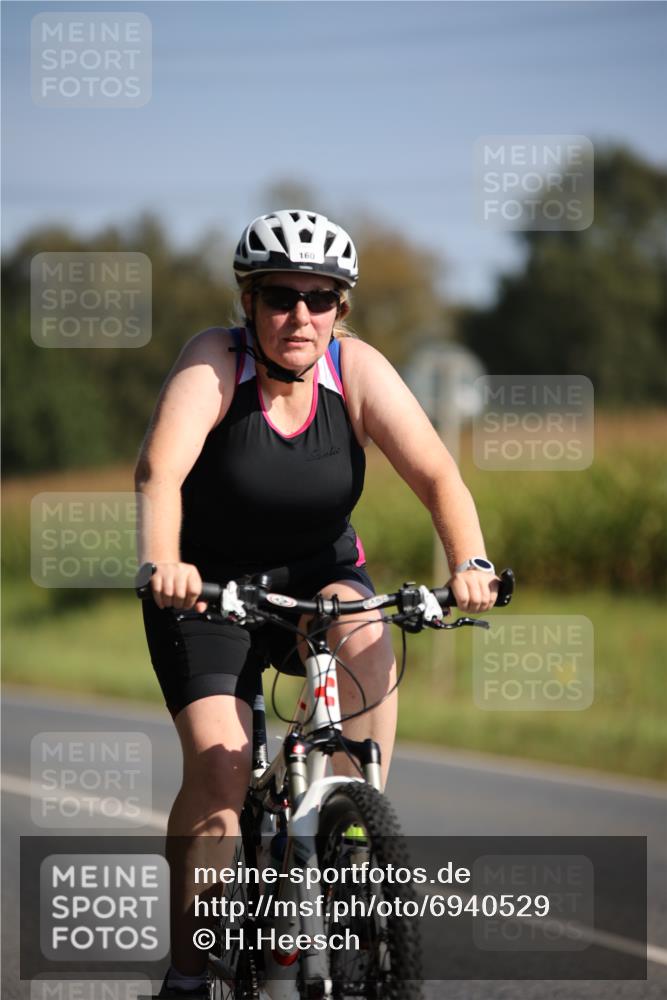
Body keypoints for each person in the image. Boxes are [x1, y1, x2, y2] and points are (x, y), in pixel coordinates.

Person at [135, 209, 498, 998]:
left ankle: (349, 825)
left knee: (365, 626)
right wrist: (163, 562)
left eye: (320, 297)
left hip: (316, 578)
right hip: (207, 588)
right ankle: (187, 975)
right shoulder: (213, 363)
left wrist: (468, 560)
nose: (299, 315)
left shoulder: (355, 369)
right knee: (220, 776)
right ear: (248, 302)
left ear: (340, 306)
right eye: (279, 296)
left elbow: (439, 476)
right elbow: (159, 473)